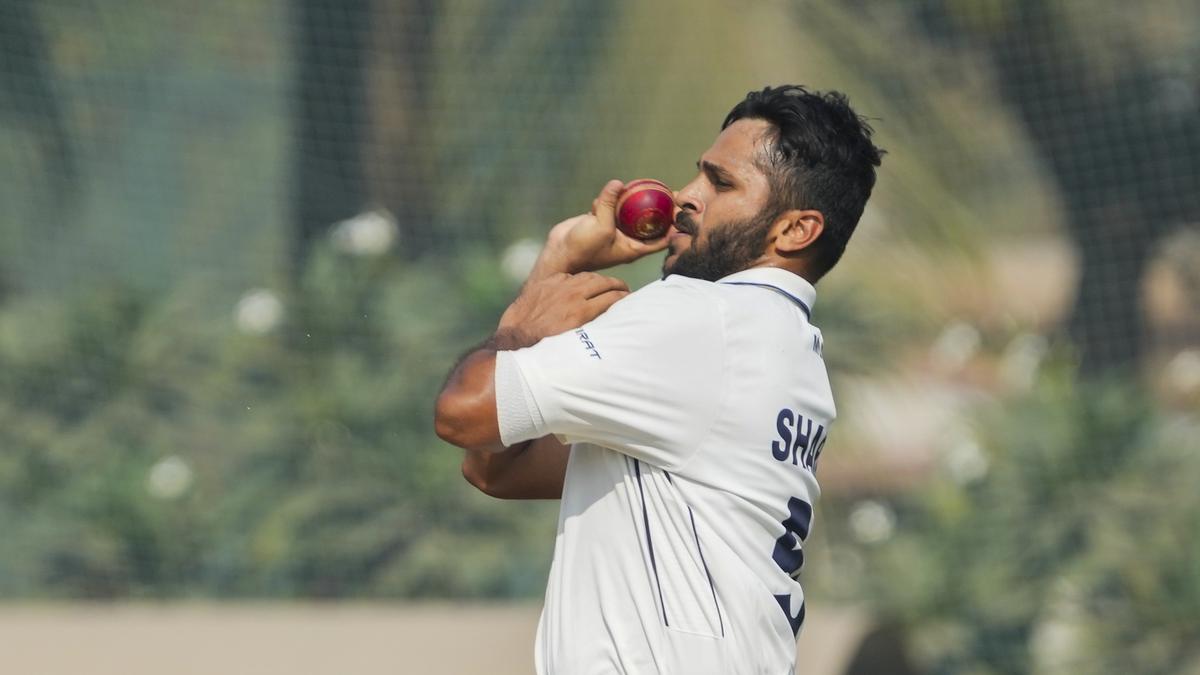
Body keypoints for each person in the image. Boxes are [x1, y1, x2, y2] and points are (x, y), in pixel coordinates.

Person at [435, 85, 884, 675]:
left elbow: (464, 413)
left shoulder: (701, 317)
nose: (684, 197)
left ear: (796, 231)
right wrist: (558, 267)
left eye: (721, 184)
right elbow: (495, 464)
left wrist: (523, 323)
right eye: (699, 174)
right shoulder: (785, 348)